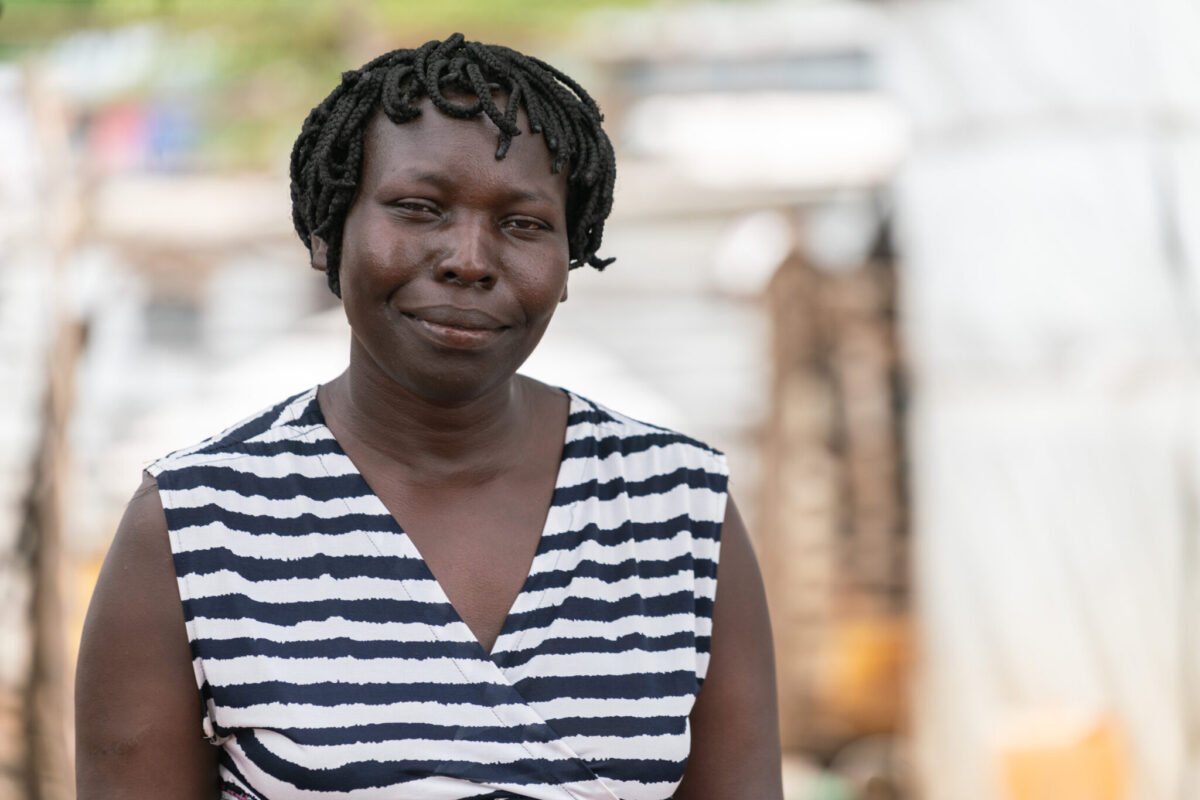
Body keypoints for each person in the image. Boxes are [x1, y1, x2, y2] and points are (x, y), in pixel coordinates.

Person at [75, 34, 782, 800]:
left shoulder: (678, 509)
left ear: (568, 259)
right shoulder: (193, 524)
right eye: (418, 208)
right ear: (327, 231)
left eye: (523, 223)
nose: (469, 260)